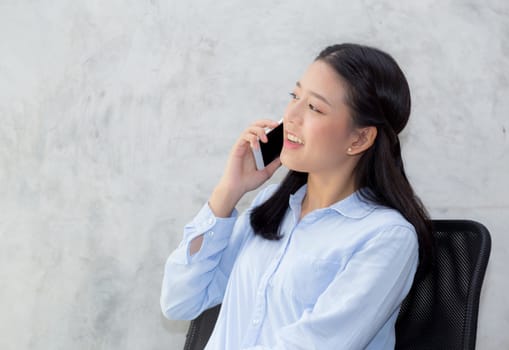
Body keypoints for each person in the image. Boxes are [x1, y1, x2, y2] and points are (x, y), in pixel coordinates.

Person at [160, 43, 433, 349]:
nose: (291, 115)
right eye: (295, 97)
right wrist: (228, 192)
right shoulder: (270, 206)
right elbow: (180, 300)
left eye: (314, 107)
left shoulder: (386, 237)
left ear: (359, 138)